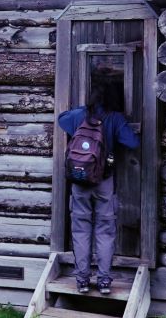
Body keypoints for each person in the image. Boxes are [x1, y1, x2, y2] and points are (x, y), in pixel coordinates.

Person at [58, 81, 140, 295]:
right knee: (105, 230)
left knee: (80, 229)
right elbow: (132, 143)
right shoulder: (115, 118)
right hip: (104, 181)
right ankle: (104, 282)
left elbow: (61, 119)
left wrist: (81, 110)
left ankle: (82, 281)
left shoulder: (79, 116)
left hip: (79, 180)